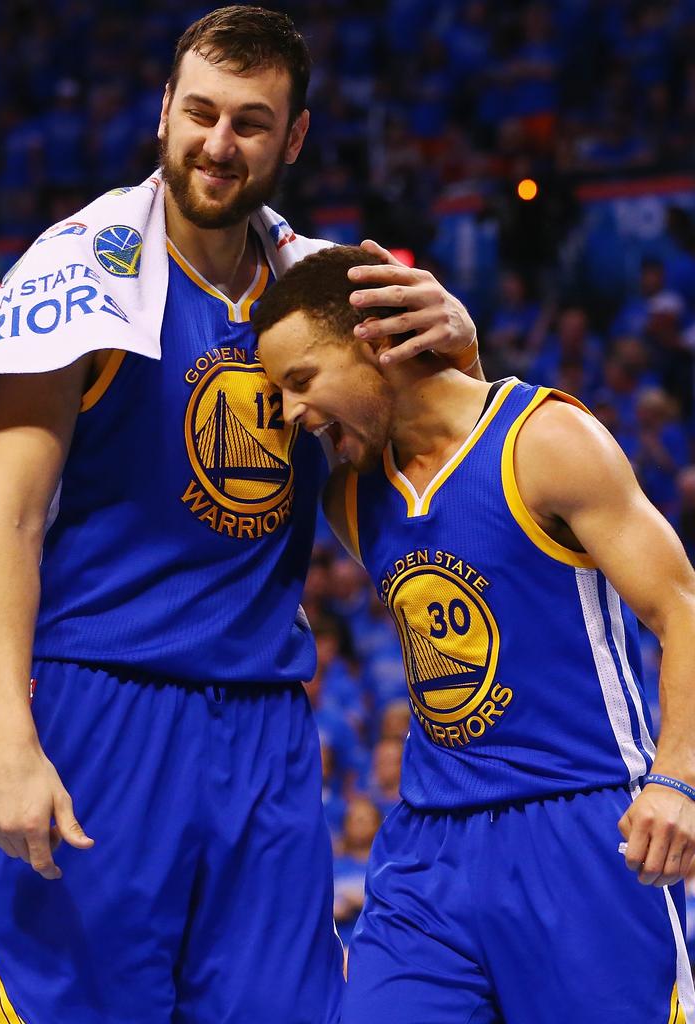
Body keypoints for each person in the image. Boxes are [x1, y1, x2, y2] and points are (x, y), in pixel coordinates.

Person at [0, 8, 479, 1024]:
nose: (217, 143)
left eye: (249, 122)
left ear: (293, 139)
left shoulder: (331, 291)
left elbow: (453, 454)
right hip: (95, 712)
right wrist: (10, 740)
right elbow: (2, 518)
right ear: (164, 112)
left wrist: (463, 345)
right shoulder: (78, 267)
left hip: (264, 726)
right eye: (198, 113)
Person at [253, 245, 695, 1024]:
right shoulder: (351, 497)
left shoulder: (546, 441)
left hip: (583, 824)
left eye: (300, 381)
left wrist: (678, 777)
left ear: (371, 342)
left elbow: (682, 606)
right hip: (428, 845)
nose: (292, 413)